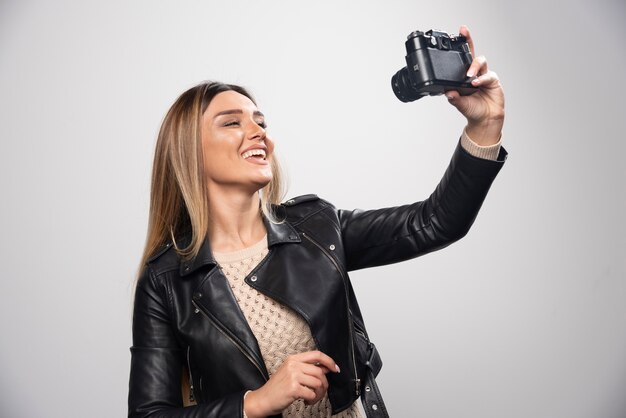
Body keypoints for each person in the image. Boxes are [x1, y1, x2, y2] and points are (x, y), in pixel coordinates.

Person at [128, 25, 506, 418]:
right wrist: (254, 402)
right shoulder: (165, 280)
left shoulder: (316, 227)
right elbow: (148, 414)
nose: (259, 134)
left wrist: (486, 124)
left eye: (261, 122)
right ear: (189, 151)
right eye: (232, 122)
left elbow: (436, 223)